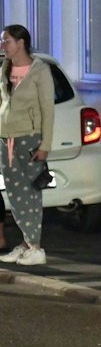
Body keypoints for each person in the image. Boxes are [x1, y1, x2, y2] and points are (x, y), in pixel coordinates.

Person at [0, 24, 55, 266]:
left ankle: (35, 247)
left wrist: (46, 144)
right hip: (6, 138)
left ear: (20, 43)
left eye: (7, 41)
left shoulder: (39, 71)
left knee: (31, 193)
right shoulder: (5, 67)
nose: (3, 45)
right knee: (15, 192)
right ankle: (26, 244)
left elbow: (48, 109)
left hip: (29, 138)